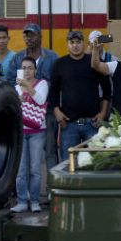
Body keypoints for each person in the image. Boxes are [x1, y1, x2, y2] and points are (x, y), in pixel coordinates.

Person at [48, 31, 111, 161]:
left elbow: (107, 91)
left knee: (94, 164)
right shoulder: (59, 64)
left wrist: (103, 113)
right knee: (68, 165)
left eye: (78, 42)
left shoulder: (95, 62)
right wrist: (57, 112)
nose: (75, 45)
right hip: (69, 125)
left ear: (84, 44)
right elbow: (53, 92)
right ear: (67, 44)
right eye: (72, 42)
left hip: (93, 124)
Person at [4, 23, 60, 170]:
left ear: (40, 36)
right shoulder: (17, 58)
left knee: (50, 151)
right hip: (24, 112)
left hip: (47, 112)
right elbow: (9, 82)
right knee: (24, 154)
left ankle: (51, 189)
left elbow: (59, 85)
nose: (28, 38)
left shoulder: (52, 57)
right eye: (26, 35)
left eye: (32, 35)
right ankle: (26, 192)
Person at [10, 56, 48, 213]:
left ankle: (34, 201)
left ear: (35, 70)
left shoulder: (42, 83)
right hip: (20, 130)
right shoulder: (16, 87)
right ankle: (21, 201)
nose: (27, 71)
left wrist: (27, 86)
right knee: (21, 169)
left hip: (37, 131)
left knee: (35, 169)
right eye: (24, 68)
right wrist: (17, 99)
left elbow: (40, 100)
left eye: (30, 68)